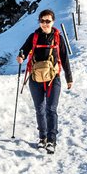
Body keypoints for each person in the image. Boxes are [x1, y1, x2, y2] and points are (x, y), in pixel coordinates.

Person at [16, 9, 73, 154]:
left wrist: (69, 78)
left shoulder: (58, 38)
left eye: (48, 21)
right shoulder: (34, 36)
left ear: (53, 22)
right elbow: (23, 49)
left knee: (51, 109)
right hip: (35, 78)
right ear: (39, 21)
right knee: (40, 109)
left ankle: (51, 140)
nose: (45, 24)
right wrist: (21, 56)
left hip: (54, 78)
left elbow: (65, 58)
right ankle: (42, 138)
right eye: (42, 21)